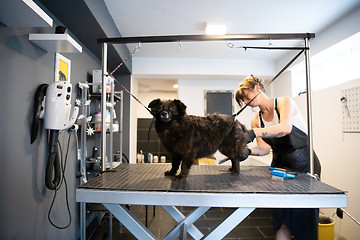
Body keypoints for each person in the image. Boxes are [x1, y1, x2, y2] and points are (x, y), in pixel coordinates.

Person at [236, 75, 321, 240]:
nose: (246, 101)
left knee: (304, 221)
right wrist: (246, 151)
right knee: (282, 220)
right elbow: (264, 148)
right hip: (280, 168)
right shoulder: (257, 120)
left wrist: (253, 133)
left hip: (305, 166)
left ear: (257, 88)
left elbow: (285, 128)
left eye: (246, 95)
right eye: (243, 100)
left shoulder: (283, 102)